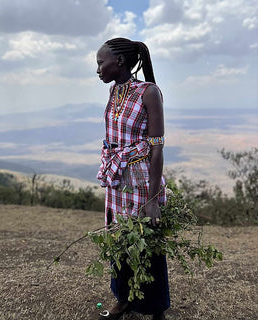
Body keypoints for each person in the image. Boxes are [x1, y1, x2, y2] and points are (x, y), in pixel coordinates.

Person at [96, 38, 170, 320]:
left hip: (141, 179)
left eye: (101, 63)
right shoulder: (115, 91)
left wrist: (152, 200)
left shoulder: (149, 92)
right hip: (117, 178)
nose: (98, 69)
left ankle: (155, 308)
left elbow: (158, 145)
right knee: (119, 239)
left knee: (146, 241)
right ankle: (124, 298)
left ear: (120, 62)